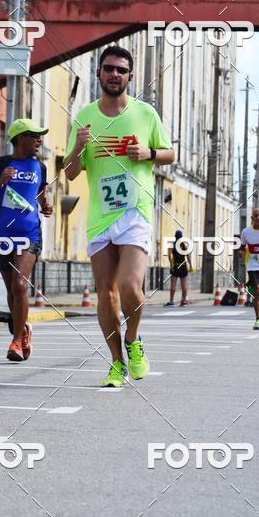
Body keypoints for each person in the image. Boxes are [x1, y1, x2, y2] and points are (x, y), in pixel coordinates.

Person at [64, 45, 174, 388]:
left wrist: (148, 152)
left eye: (121, 70)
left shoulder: (145, 114)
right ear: (99, 74)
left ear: (130, 76)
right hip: (99, 215)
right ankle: (116, 362)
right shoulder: (84, 117)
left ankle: (134, 339)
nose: (115, 74)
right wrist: (79, 148)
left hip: (135, 212)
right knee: (106, 295)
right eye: (109, 68)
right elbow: (69, 172)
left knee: (129, 286)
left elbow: (170, 153)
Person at [0, 119, 53, 361]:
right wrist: (0, 181)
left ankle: (17, 341)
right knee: (12, 291)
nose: (40, 140)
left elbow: (40, 190)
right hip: (2, 235)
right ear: (20, 138)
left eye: (41, 135)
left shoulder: (40, 166)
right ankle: (24, 328)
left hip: (29, 235)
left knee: (20, 285)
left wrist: (45, 205)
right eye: (34, 135)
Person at [238, 207, 259, 330]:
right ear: (252, 218)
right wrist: (241, 252)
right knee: (257, 291)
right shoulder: (246, 232)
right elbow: (241, 247)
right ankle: (258, 319)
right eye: (256, 215)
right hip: (252, 266)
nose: (258, 218)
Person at [164, 230, 192, 306]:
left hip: (175, 266)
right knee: (184, 285)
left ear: (175, 236)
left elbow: (169, 256)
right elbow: (188, 256)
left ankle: (171, 301)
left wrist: (171, 264)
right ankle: (184, 302)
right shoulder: (184, 246)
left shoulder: (172, 245)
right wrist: (191, 265)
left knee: (173, 284)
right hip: (183, 266)